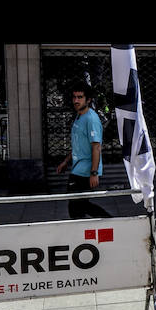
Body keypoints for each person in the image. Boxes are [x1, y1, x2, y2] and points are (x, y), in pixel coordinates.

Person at [56, 81, 112, 219]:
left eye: (80, 97)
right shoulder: (79, 116)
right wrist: (66, 162)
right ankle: (103, 225)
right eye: (74, 97)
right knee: (78, 206)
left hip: (85, 171)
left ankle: (111, 222)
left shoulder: (91, 119)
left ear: (88, 100)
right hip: (77, 168)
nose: (76, 100)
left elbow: (96, 146)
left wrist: (94, 172)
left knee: (77, 206)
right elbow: (78, 145)